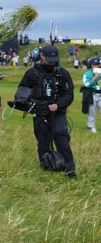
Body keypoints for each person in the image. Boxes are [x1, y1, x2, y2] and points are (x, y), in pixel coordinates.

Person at [17, 45, 76, 178]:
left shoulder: (63, 74)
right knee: (43, 141)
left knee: (61, 138)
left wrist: (58, 105)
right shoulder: (32, 73)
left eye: (53, 59)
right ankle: (46, 167)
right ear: (42, 56)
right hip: (40, 112)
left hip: (58, 112)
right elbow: (22, 90)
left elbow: (69, 94)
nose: (51, 62)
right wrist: (25, 103)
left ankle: (70, 170)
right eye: (49, 59)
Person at [81, 58, 101, 133]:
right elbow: (86, 84)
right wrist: (95, 77)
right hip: (92, 94)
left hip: (100, 94)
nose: (96, 66)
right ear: (91, 65)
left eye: (97, 65)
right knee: (92, 111)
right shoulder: (87, 74)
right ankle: (91, 126)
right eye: (94, 65)